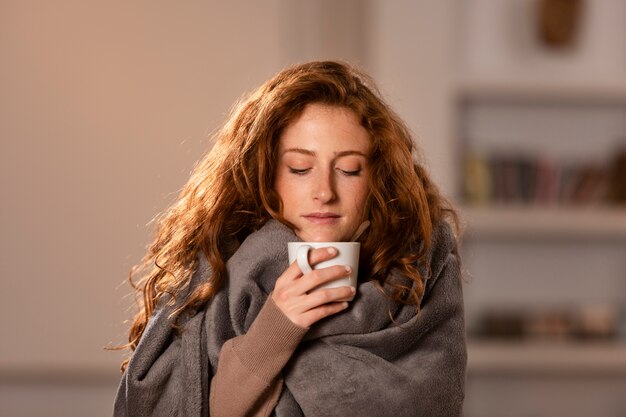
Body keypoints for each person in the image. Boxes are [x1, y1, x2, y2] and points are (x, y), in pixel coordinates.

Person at [113, 60, 466, 417]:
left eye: (348, 169)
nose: (324, 192)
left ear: (376, 178)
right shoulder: (221, 270)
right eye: (300, 168)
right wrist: (277, 326)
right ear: (265, 173)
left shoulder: (421, 267)